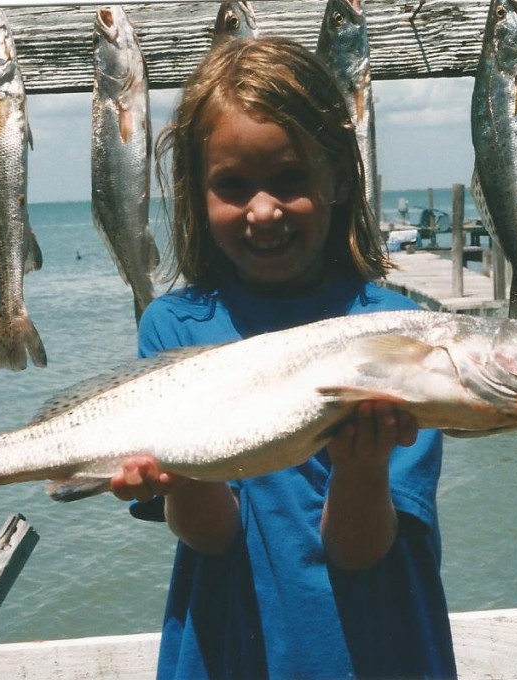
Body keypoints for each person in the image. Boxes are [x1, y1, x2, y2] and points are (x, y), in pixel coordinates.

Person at [109, 36, 457, 679]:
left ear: (340, 178)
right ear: (196, 193)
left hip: (377, 654)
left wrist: (363, 468)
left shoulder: (398, 337)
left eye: (291, 179)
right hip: (229, 654)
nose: (263, 210)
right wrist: (183, 474)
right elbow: (215, 536)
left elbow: (359, 553)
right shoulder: (173, 328)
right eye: (233, 186)